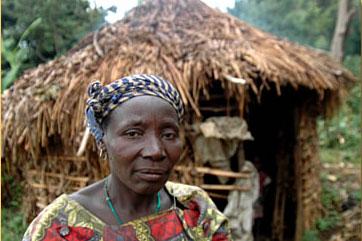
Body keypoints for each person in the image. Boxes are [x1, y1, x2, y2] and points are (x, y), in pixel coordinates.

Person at [22, 74, 232, 241]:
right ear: (102, 141)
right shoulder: (60, 227)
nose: (156, 151)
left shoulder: (194, 208)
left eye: (168, 135)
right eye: (133, 134)